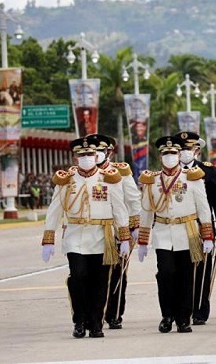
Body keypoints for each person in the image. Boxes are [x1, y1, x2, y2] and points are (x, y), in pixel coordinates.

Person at [40, 136, 131, 338]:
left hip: (102, 237)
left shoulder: (109, 178)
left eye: (90, 154)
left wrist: (124, 237)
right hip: (75, 237)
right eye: (82, 155)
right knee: (79, 277)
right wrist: (48, 238)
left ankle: (96, 322)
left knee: (99, 282)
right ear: (75, 158)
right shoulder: (66, 180)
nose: (87, 158)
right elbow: (55, 210)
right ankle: (80, 321)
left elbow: (119, 208)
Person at [137, 136, 214, 334]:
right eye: (165, 153)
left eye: (173, 153)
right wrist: (143, 241)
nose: (169, 157)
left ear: (179, 155)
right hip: (163, 233)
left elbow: (203, 208)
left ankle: (183, 319)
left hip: (187, 232)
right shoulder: (151, 180)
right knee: (165, 274)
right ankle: (167, 315)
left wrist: (207, 236)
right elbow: (146, 210)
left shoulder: (192, 177)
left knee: (186, 277)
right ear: (160, 156)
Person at [90, 134, 142, 330]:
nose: (95, 155)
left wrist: (135, 226)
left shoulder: (120, 171)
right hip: (92, 229)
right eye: (92, 151)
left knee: (117, 273)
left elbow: (133, 199)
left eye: (100, 151)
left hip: (116, 229)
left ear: (109, 152)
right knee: (92, 273)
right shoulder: (83, 174)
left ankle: (114, 314)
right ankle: (93, 312)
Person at [173, 131, 216, 326]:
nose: (185, 152)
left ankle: (200, 310)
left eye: (188, 148)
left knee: (201, 269)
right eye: (182, 149)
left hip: (201, 225)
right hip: (176, 227)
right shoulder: (170, 171)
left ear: (197, 150)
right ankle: (180, 309)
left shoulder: (207, 171)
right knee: (178, 270)